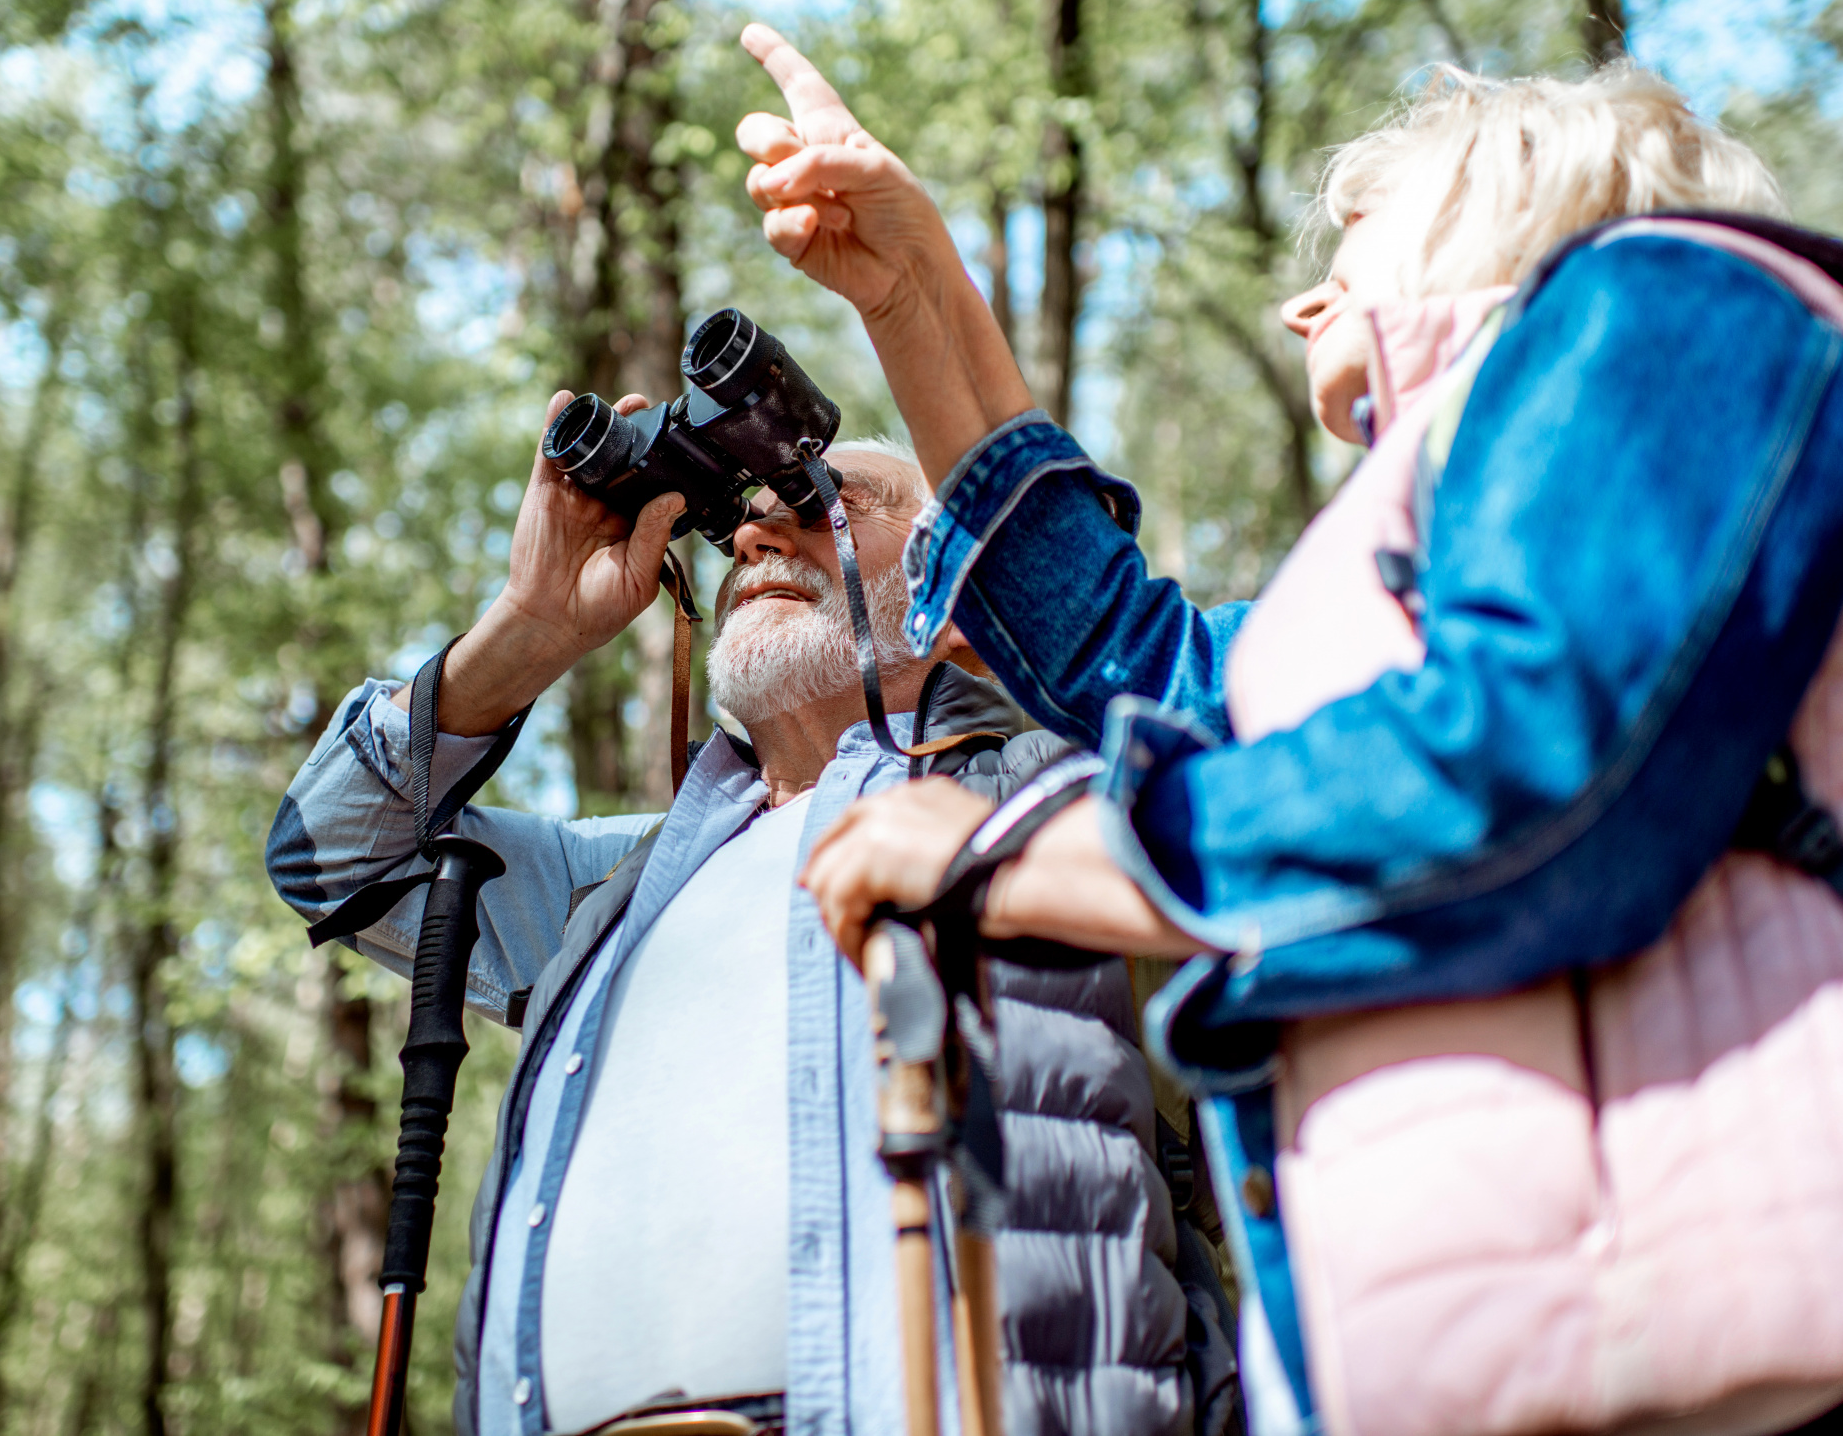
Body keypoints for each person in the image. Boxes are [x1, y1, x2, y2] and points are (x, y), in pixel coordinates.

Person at [733, 34, 1843, 1436]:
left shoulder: (1678, 298)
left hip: (1819, 1369)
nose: (1300, 303)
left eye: (1350, 239)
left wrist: (1019, 858)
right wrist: (915, 287)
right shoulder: (1409, 558)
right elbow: (1139, 665)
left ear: (1514, 184)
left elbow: (1532, 760)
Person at [264, 406, 1236, 1436]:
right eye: (743, 524)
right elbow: (331, 853)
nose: (755, 536)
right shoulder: (624, 889)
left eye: (826, 504)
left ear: (962, 601)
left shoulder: (1060, 800)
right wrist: (529, 627)